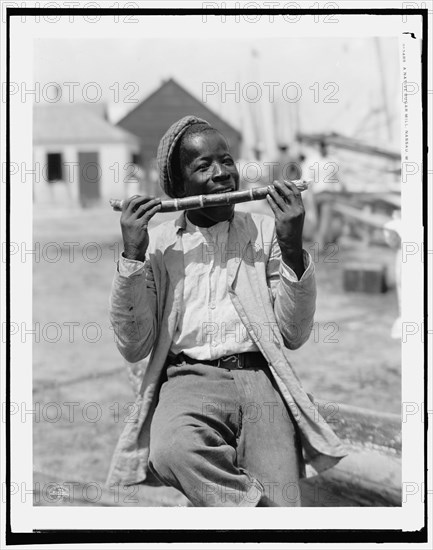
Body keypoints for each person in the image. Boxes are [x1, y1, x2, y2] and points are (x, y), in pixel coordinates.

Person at [107, 115, 346, 507]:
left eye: (227, 161)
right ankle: (261, 516)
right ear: (179, 184)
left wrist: (292, 247)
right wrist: (131, 256)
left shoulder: (265, 232)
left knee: (280, 497)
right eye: (203, 166)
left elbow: (294, 335)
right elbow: (134, 346)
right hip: (188, 379)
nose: (222, 174)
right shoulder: (158, 245)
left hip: (261, 380)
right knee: (172, 452)